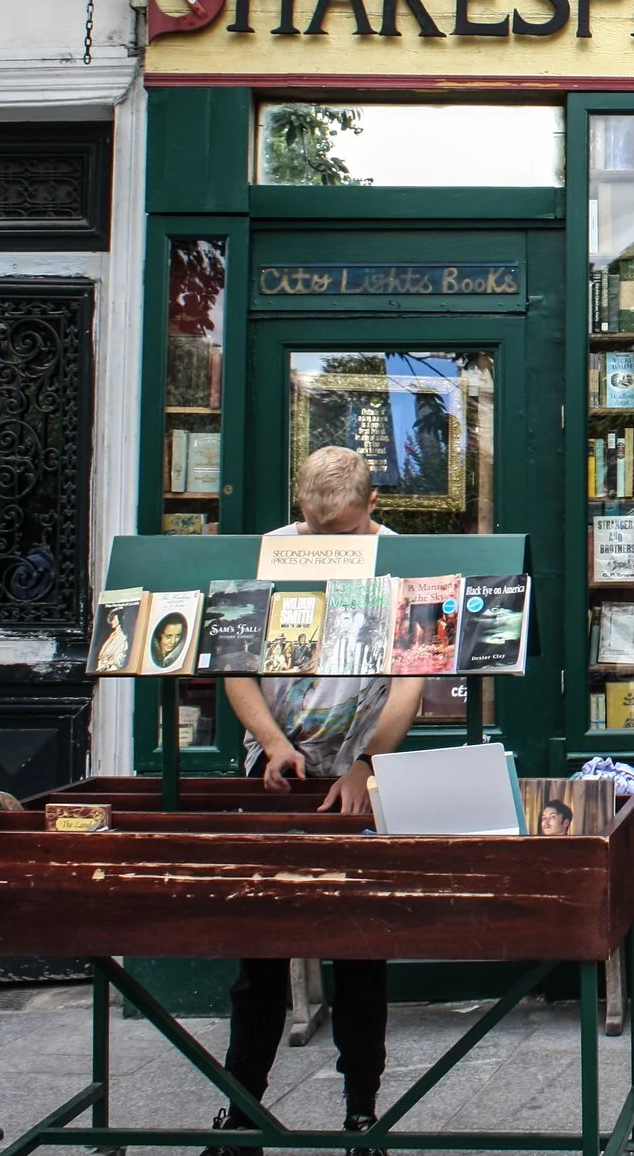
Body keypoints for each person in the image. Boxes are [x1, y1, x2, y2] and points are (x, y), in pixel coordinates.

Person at [206, 446, 421, 1156]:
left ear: (373, 508)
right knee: (259, 954)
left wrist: (366, 763)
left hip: (359, 772)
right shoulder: (270, 552)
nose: (334, 547)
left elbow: (410, 681)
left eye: (349, 533)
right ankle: (243, 1110)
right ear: (302, 512)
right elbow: (236, 666)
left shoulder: (398, 559)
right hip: (273, 771)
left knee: (361, 950)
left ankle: (362, 1111)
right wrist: (270, 740)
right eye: (320, 531)